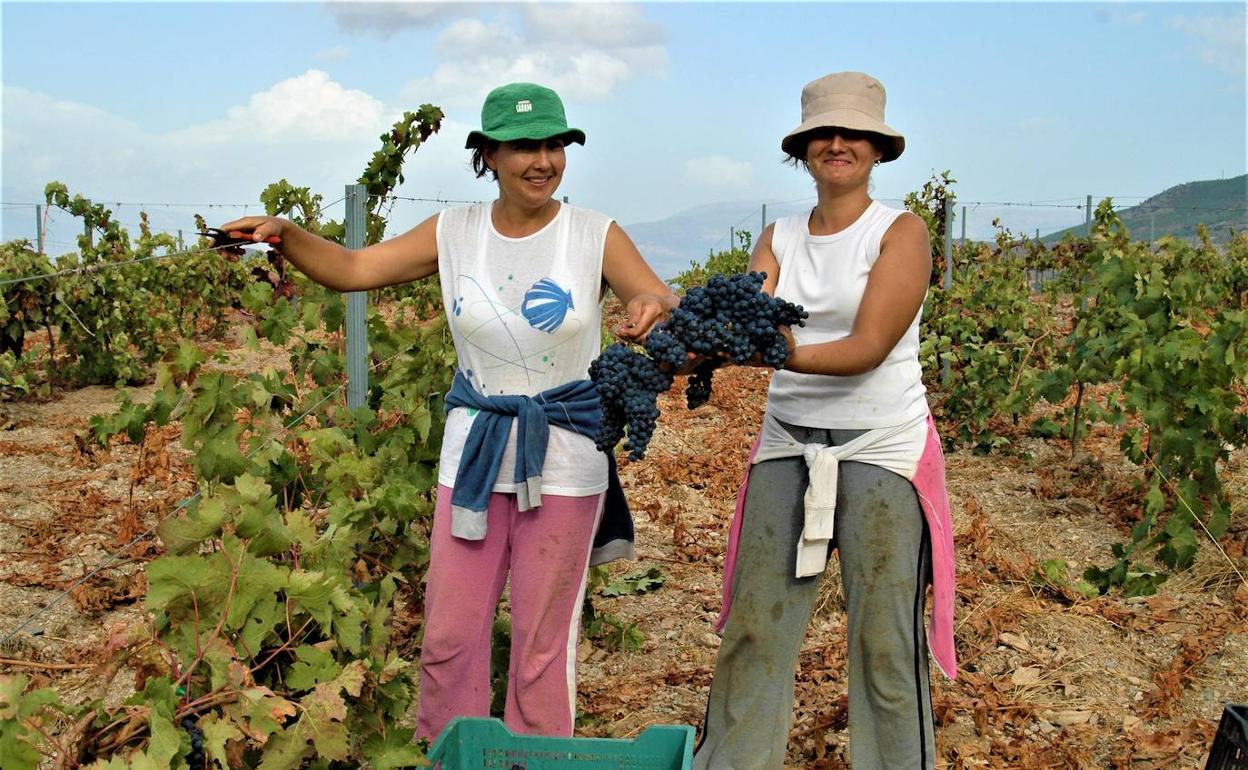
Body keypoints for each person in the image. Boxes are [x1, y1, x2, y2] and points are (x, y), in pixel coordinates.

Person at [218, 82, 679, 741]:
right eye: (522, 147)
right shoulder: (455, 231)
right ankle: (450, 752)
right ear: (487, 156)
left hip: (569, 462)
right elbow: (352, 267)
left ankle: (534, 759)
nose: (541, 161)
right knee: (449, 636)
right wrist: (287, 235)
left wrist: (649, 308)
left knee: (541, 649)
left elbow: (651, 293)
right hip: (472, 458)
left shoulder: (592, 234)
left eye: (554, 145)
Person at [692, 72, 957, 770]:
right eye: (824, 134)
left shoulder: (900, 232)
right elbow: (746, 319)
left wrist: (769, 347)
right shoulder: (776, 237)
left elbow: (868, 348)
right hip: (789, 440)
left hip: (882, 446)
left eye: (853, 134)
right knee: (754, 629)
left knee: (883, 642)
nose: (837, 144)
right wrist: (675, 328)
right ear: (804, 148)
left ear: (876, 149)